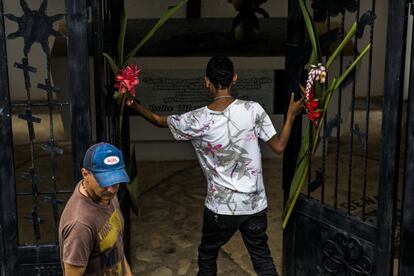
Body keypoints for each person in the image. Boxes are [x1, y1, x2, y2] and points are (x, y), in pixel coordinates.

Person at [127, 55, 303, 275]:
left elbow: (158, 120)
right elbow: (279, 146)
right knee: (262, 258)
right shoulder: (253, 110)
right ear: (235, 78)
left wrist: (132, 103)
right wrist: (291, 115)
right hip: (254, 206)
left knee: (208, 255)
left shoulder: (197, 119)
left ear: (206, 82)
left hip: (220, 209)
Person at [58, 142, 133, 276]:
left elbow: (117, 245)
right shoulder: (80, 225)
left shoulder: (107, 194)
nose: (111, 189)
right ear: (85, 174)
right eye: (105, 181)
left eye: (115, 181)